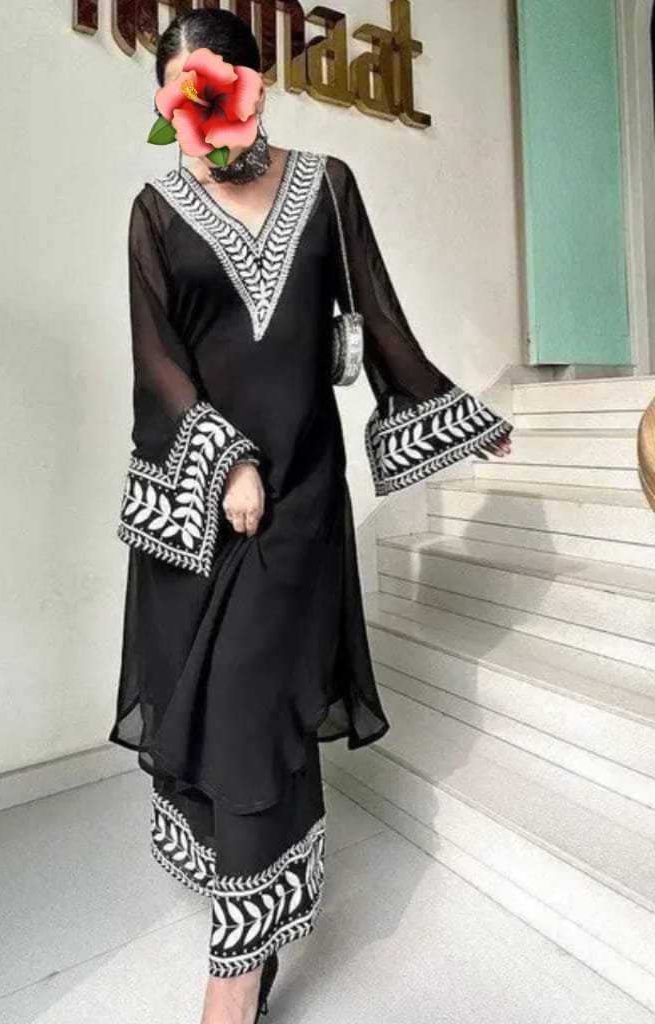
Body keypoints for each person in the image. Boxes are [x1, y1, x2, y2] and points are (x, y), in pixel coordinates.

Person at [109, 9, 514, 1023]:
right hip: (201, 507)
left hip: (297, 499)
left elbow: (378, 316)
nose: (205, 115)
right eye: (184, 97)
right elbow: (155, 362)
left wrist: (450, 410)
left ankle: (234, 973)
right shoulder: (155, 210)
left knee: (256, 709)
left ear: (254, 84)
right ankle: (254, 905)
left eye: (218, 88)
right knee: (216, 722)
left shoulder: (326, 186)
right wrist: (225, 461)